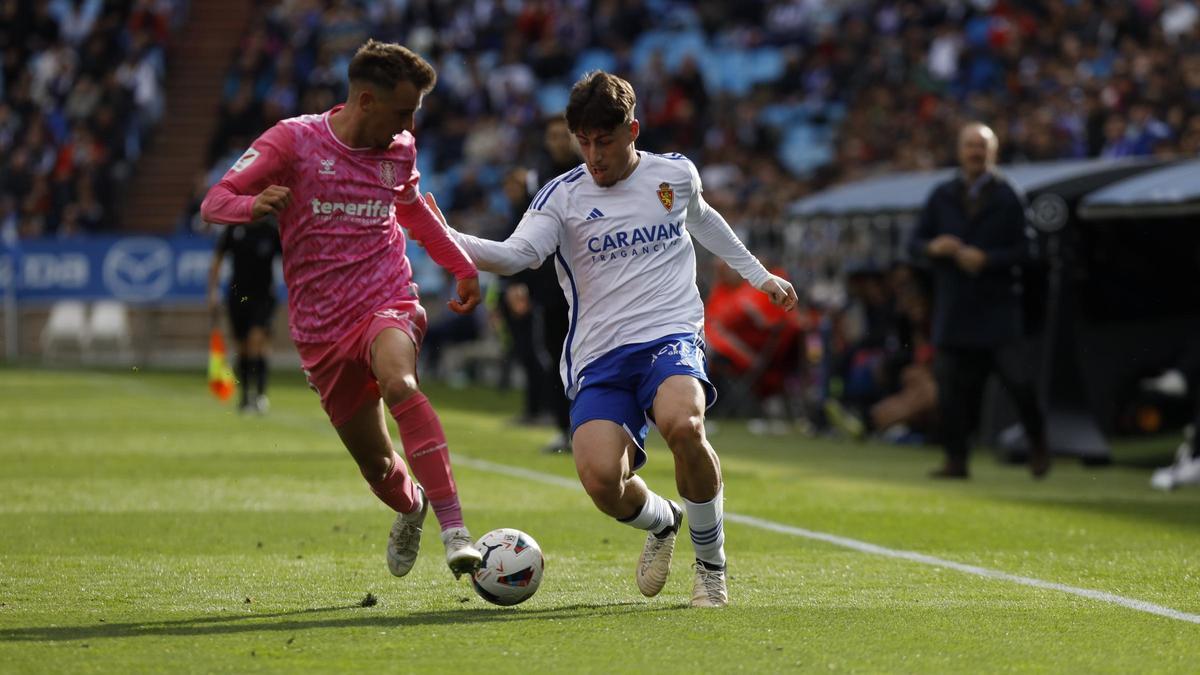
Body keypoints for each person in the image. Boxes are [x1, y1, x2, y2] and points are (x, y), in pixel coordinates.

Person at [429, 71, 797, 607]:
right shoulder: (560, 197)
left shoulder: (674, 175)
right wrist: (446, 237)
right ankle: (664, 520)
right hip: (600, 355)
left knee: (684, 423)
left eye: (604, 141)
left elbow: (705, 220)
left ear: (632, 131)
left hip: (670, 334)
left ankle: (711, 566)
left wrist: (760, 276)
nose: (594, 155)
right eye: (585, 142)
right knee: (603, 480)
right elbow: (516, 256)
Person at [200, 40, 484, 579]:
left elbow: (416, 212)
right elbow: (215, 201)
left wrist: (462, 265)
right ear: (366, 100)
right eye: (403, 111)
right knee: (377, 465)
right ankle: (413, 506)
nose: (408, 125)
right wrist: (251, 205)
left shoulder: (400, 149)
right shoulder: (293, 141)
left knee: (400, 382)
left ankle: (455, 531)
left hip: (387, 300)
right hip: (321, 331)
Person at [908, 122, 1050, 479]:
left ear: (993, 152)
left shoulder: (1008, 195)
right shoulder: (941, 194)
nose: (975, 152)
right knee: (950, 389)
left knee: (1020, 383)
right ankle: (956, 459)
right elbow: (913, 244)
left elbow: (1029, 249)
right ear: (959, 151)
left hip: (998, 309)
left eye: (982, 146)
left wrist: (989, 259)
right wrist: (933, 247)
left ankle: (1037, 443)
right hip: (955, 309)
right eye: (970, 145)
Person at [206, 218, 282, 414]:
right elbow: (217, 259)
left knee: (256, 341)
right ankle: (245, 397)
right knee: (242, 347)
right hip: (238, 296)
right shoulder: (233, 229)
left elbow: (288, 260)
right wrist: (213, 292)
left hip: (263, 296)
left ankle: (261, 395)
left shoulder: (271, 230)